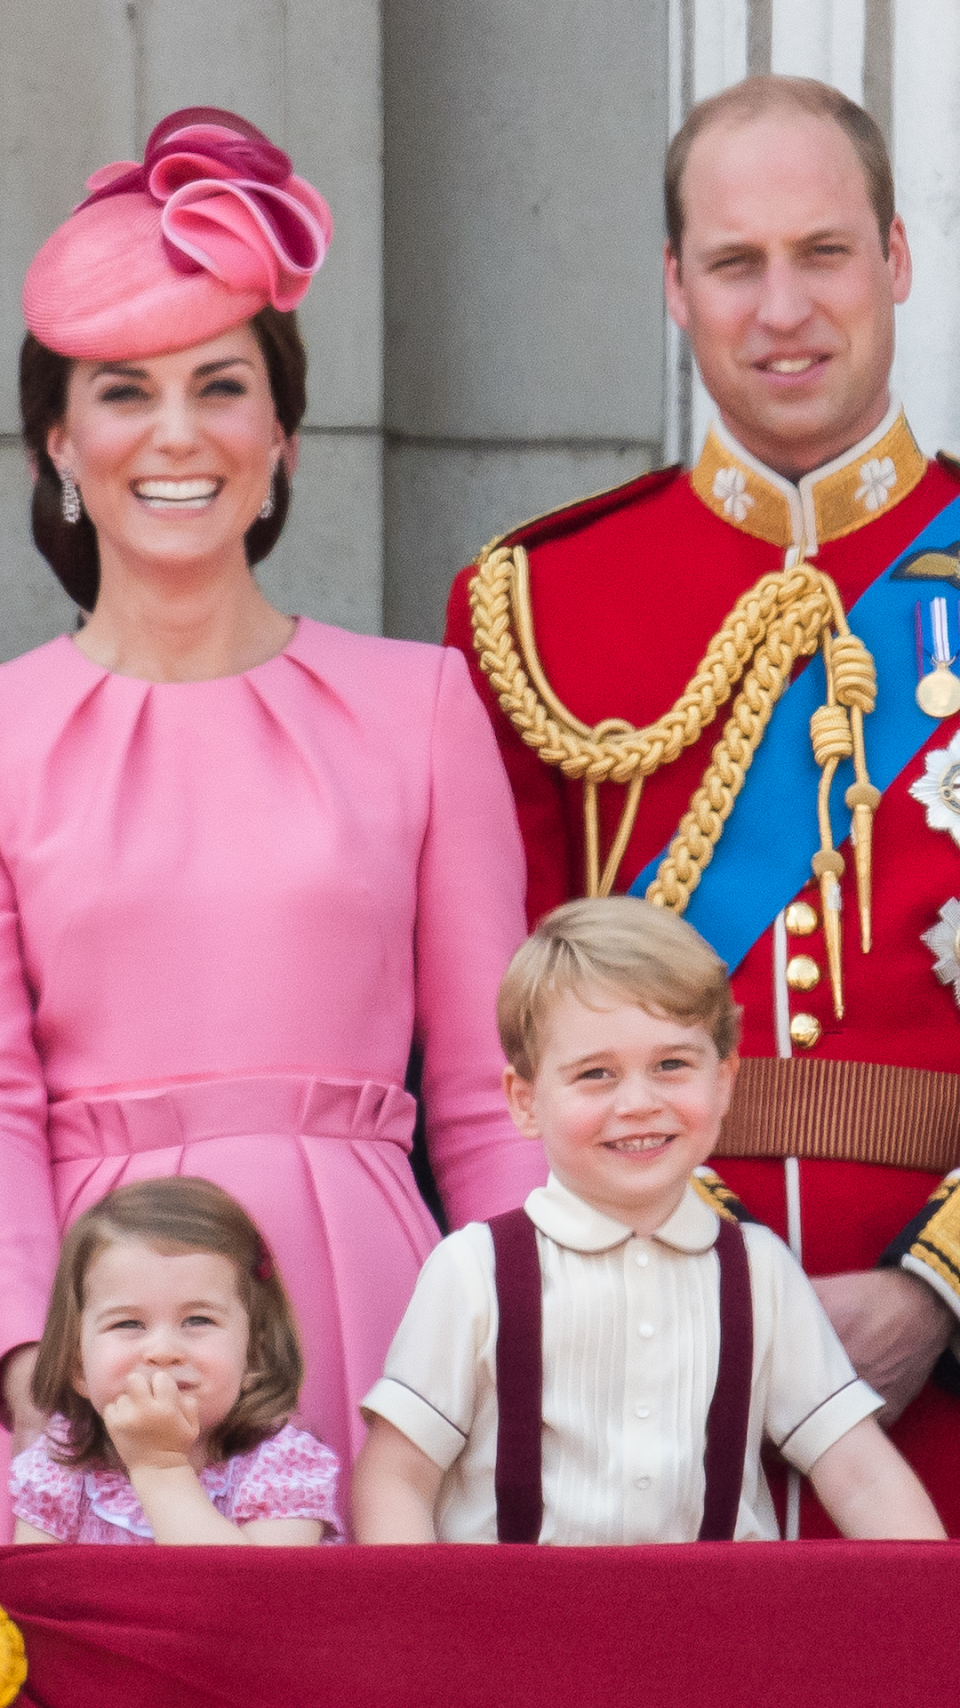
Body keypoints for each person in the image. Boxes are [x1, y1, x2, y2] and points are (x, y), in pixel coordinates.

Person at [0, 106, 545, 1528]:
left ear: (284, 432)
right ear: (58, 439)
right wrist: (33, 1374)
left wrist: (525, 1352)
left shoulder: (421, 707)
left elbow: (492, 1097)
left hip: (385, 1315)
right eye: (123, 390)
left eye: (221, 385)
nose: (177, 435)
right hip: (98, 1325)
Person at [444, 75, 960, 1534]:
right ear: (677, 288)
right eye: (737, 263)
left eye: (824, 253)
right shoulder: (534, 608)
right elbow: (498, 1025)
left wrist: (936, 1289)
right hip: (640, 1370)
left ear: (899, 261)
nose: (783, 307)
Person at [352, 899, 944, 1545]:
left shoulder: (760, 1271)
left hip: (719, 1634)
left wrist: (939, 1622)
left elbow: (860, 1474)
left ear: (723, 1082)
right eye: (596, 1074)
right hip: (516, 1637)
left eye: (671, 1066)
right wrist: (424, 1634)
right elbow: (397, 1475)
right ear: (525, 1102)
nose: (638, 1103)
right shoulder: (474, 1271)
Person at [12, 1178, 341, 1546]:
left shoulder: (283, 1465)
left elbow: (250, 1595)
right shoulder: (62, 1463)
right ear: (77, 1365)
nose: (163, 1350)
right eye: (128, 1323)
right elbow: (32, 1595)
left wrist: (159, 1468)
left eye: (198, 1320)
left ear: (253, 1353)